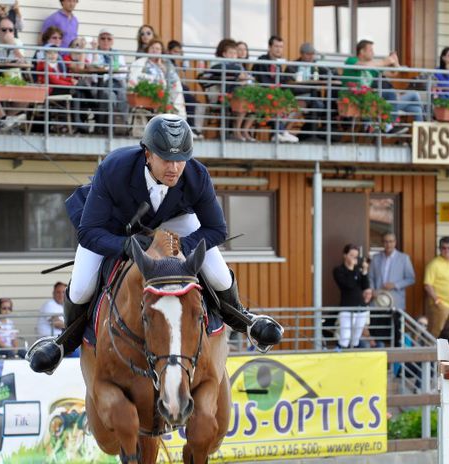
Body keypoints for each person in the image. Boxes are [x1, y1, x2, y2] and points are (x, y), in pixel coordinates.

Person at [27, 114, 284, 374]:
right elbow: (89, 232)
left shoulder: (197, 175)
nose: (174, 168)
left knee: (219, 276)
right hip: (114, 225)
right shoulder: (114, 168)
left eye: (180, 160)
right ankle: (64, 343)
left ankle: (244, 320)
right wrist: (128, 246)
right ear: (148, 154)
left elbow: (216, 229)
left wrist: (183, 245)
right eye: (166, 159)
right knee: (82, 287)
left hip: (175, 220)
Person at [342, 39, 423, 130]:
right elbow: (363, 66)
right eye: (370, 50)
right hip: (357, 99)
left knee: (417, 110)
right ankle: (390, 126)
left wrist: (395, 62)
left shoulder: (373, 67)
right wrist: (384, 62)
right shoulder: (351, 60)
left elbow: (393, 73)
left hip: (373, 99)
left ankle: (422, 132)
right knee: (402, 94)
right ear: (362, 51)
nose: (373, 53)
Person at [251, 36, 301, 143]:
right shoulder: (262, 61)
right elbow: (263, 82)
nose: (279, 49)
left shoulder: (278, 64)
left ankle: (281, 132)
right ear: (269, 47)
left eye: (281, 47)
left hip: (272, 96)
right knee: (277, 100)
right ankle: (279, 132)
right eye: (276, 46)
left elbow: (280, 81)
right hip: (261, 97)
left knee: (297, 104)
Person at [209, 39, 256, 142]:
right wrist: (239, 76)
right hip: (229, 93)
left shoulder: (238, 65)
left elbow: (248, 78)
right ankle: (237, 130)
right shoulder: (222, 63)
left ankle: (245, 130)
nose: (233, 55)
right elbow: (215, 69)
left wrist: (243, 78)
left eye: (235, 53)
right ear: (224, 54)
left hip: (241, 90)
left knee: (257, 99)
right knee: (243, 99)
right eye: (231, 53)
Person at [127, 39, 186, 117]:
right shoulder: (141, 63)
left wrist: (163, 69)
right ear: (148, 50)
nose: (154, 50)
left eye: (157, 49)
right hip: (146, 95)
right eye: (152, 48)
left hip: (162, 95)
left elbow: (174, 81)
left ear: (161, 51)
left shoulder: (166, 63)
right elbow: (134, 77)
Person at [284, 42, 329, 139]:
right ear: (301, 54)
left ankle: (306, 135)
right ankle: (285, 131)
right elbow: (289, 84)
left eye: (312, 54)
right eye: (308, 54)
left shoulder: (317, 67)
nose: (311, 57)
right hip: (295, 95)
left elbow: (330, 74)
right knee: (302, 103)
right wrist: (309, 86)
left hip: (312, 97)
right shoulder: (292, 66)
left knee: (320, 105)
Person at [424, 236, 449, 337]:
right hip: (441, 306)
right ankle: (432, 351)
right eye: (444, 248)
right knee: (436, 331)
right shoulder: (434, 264)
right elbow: (427, 285)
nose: (446, 250)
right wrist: (437, 301)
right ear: (440, 249)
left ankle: (448, 351)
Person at [89, 28, 128, 131]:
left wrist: (108, 71)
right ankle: (108, 128)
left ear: (112, 41)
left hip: (116, 84)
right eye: (103, 38)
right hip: (98, 86)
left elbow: (123, 73)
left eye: (109, 39)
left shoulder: (117, 54)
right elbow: (93, 73)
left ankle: (123, 125)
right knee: (109, 96)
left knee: (124, 94)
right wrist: (111, 71)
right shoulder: (93, 52)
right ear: (98, 40)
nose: (106, 41)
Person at [333, 244, 371, 349]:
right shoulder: (339, 270)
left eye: (356, 256)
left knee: (356, 337)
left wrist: (364, 271)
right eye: (351, 255)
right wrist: (351, 268)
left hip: (360, 306)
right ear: (345, 255)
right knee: (345, 336)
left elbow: (365, 286)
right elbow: (349, 285)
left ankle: (353, 356)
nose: (354, 258)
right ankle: (340, 354)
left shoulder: (358, 270)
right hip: (347, 307)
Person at [368, 232, 416, 311]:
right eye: (386, 241)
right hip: (377, 301)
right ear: (382, 243)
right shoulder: (376, 258)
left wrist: (395, 285)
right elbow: (370, 277)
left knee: (395, 323)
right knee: (377, 323)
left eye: (391, 241)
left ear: (395, 242)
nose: (388, 244)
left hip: (396, 302)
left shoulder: (404, 258)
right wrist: (372, 290)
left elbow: (411, 279)